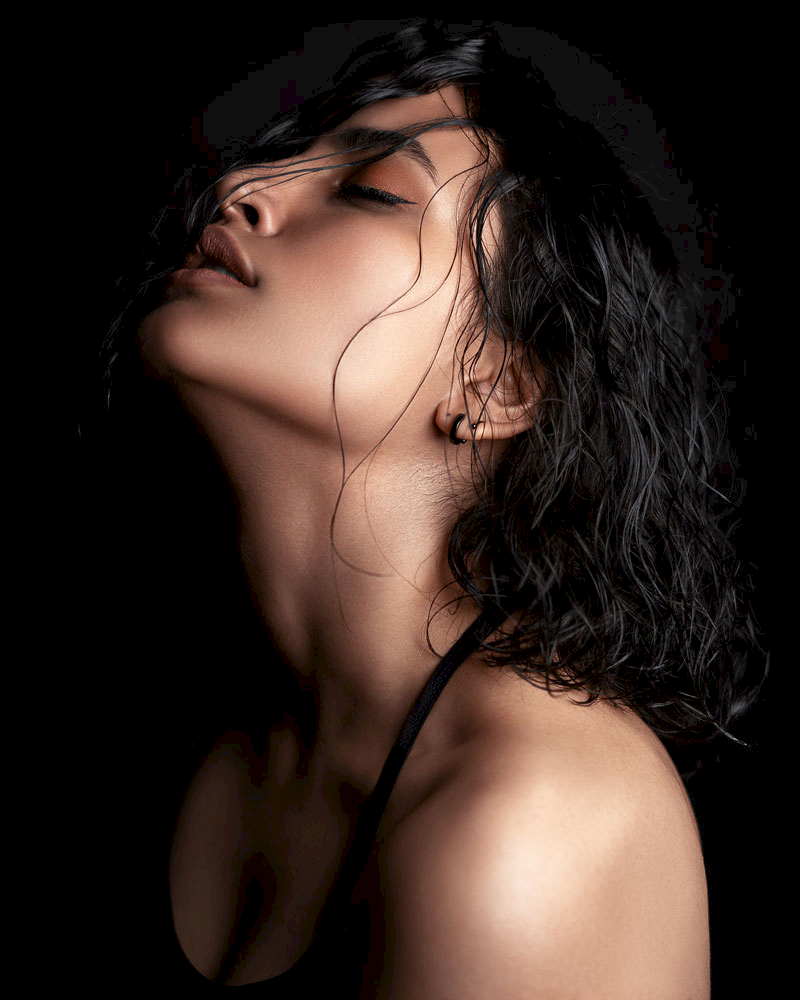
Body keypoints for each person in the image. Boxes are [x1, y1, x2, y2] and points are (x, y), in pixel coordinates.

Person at [98, 20, 763, 998]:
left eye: (370, 190)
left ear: (495, 384)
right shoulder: (180, 698)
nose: (241, 188)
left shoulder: (532, 822)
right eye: (280, 160)